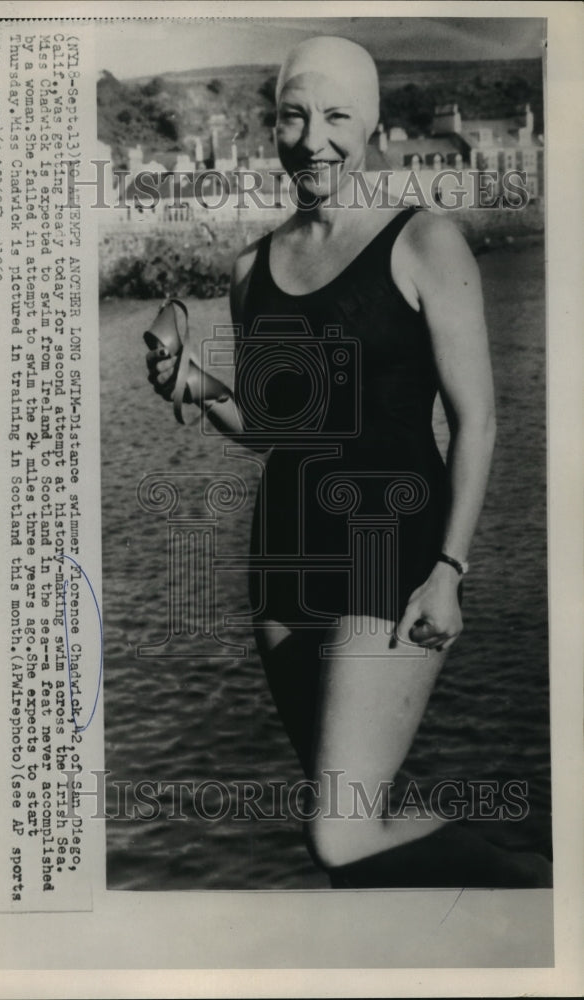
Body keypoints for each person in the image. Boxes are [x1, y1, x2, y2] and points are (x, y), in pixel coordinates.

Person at [146, 36, 550, 888]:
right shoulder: (253, 269)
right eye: (296, 114)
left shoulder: (426, 242)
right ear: (274, 127)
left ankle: (533, 875)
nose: (315, 136)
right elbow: (270, 428)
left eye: (337, 116)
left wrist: (450, 568)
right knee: (347, 840)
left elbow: (477, 421)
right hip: (285, 557)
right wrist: (197, 382)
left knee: (340, 832)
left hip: (390, 547)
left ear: (369, 127)